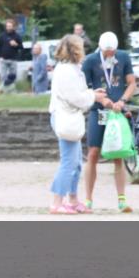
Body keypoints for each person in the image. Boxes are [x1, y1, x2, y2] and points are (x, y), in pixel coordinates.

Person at [81, 31, 137, 213]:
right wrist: (100, 99)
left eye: (112, 51)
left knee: (118, 154)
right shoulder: (90, 60)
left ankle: (122, 200)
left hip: (116, 113)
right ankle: (88, 199)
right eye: (107, 52)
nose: (110, 54)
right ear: (100, 48)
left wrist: (122, 101)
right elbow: (83, 87)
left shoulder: (123, 57)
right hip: (99, 112)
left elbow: (131, 83)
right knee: (93, 153)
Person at [48, 35, 105, 214]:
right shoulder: (66, 71)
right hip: (65, 118)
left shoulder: (72, 68)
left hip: (70, 118)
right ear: (75, 50)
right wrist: (94, 96)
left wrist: (91, 93)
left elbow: (78, 92)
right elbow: (75, 98)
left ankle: (72, 200)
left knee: (77, 163)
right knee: (69, 162)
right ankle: (57, 202)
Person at [0, 18, 23, 93]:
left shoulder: (17, 36)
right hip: (4, 59)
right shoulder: (2, 35)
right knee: (3, 76)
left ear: (13, 27)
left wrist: (16, 45)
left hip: (13, 59)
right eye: (7, 26)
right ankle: (2, 90)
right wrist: (0, 56)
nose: (8, 28)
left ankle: (11, 90)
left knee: (13, 75)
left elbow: (21, 47)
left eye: (10, 26)